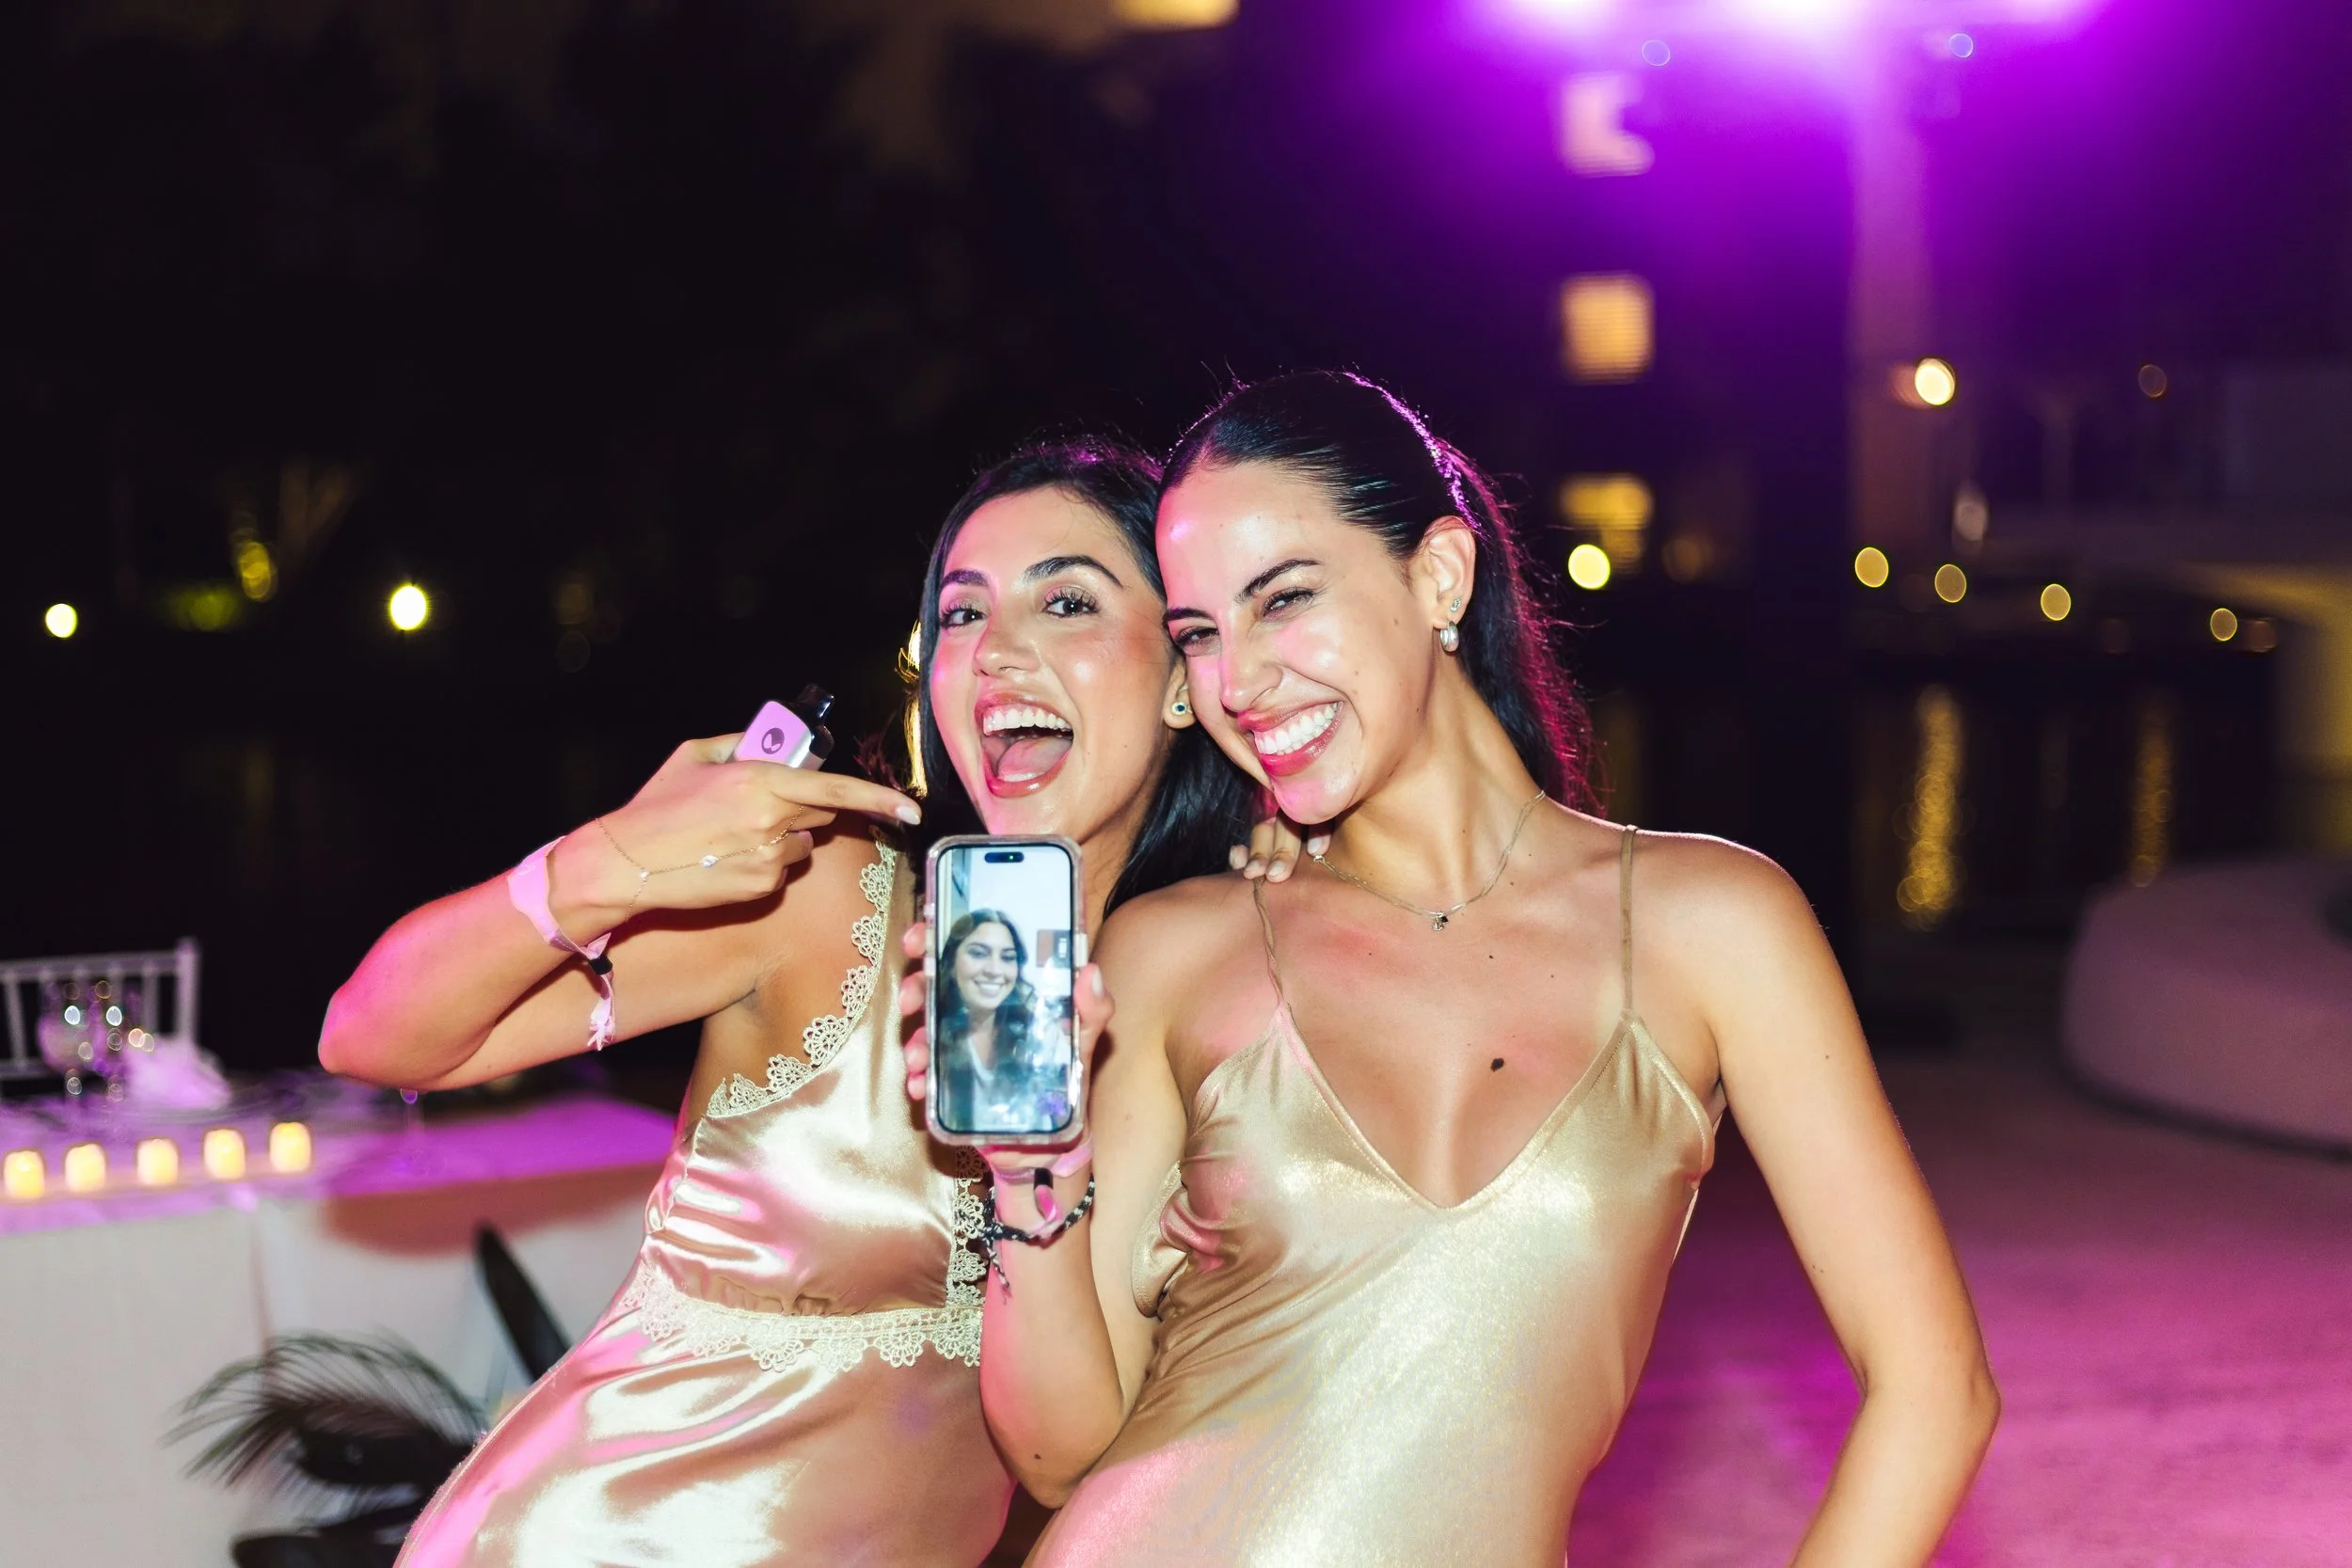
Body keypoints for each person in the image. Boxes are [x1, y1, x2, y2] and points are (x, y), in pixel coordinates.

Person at [929, 372, 2000, 1567]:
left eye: (1282, 599)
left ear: (1438, 574)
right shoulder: (1176, 948)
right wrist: (1030, 1178)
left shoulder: (1711, 924)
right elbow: (1059, 1452)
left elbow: (1933, 1385)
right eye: (1199, 634)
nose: (1237, 680)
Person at [317, 435, 1291, 1567]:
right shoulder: (827, 887)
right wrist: (613, 855)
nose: (997, 655)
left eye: (1065, 600)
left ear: (1183, 675)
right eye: (962, 616)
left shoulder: (1199, 974)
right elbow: (373, 1033)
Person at [932, 910, 1071, 1135]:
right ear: (951, 964)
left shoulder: (1040, 1033)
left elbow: (1059, 1112)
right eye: (978, 953)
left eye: (1007, 957)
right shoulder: (932, 1036)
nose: (994, 970)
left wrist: (1046, 1098)